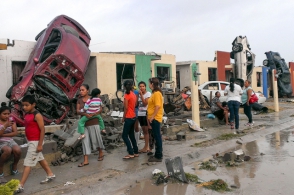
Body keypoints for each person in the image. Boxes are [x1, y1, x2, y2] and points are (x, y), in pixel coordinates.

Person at [15, 95, 55, 193]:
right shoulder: (28, 114)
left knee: (27, 163)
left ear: (33, 104)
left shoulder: (37, 115)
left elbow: (42, 129)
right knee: (40, 158)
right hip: (31, 141)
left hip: (35, 142)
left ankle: (21, 185)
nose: (24, 107)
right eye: (23, 105)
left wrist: (40, 144)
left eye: (27, 105)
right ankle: (50, 174)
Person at [77, 84, 105, 166]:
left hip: (94, 122)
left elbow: (100, 108)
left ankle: (101, 153)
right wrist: (85, 114)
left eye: (83, 90)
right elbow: (78, 111)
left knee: (96, 139)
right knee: (84, 141)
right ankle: (86, 160)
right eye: (80, 90)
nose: (81, 92)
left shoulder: (93, 98)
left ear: (88, 90)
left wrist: (95, 113)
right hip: (85, 123)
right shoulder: (79, 100)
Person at [0, 103, 21, 182]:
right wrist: (5, 125)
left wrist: (3, 134)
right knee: (7, 150)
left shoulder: (11, 120)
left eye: (8, 114)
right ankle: (0, 168)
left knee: (17, 150)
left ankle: (14, 166)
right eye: (4, 114)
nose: (7, 116)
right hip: (1, 142)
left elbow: (15, 133)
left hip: (10, 140)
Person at [147, 77, 164, 162]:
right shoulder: (154, 93)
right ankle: (158, 154)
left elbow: (157, 106)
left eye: (149, 83)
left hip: (156, 118)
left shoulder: (157, 93)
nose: (149, 85)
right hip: (153, 118)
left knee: (157, 137)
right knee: (156, 136)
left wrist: (152, 116)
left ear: (152, 84)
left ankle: (158, 156)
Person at [122, 80, 139, 159]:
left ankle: (130, 152)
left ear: (124, 87)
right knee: (131, 135)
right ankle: (135, 151)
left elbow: (125, 107)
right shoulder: (133, 94)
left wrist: (123, 117)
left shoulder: (126, 95)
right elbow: (135, 104)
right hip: (133, 116)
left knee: (124, 135)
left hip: (128, 116)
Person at [137, 81, 152, 153]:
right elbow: (137, 104)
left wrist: (141, 95)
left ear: (145, 87)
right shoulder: (139, 94)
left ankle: (147, 147)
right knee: (144, 131)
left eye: (143, 86)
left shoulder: (148, 94)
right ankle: (146, 146)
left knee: (146, 131)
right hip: (140, 114)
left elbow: (145, 103)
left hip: (145, 114)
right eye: (140, 86)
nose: (141, 88)